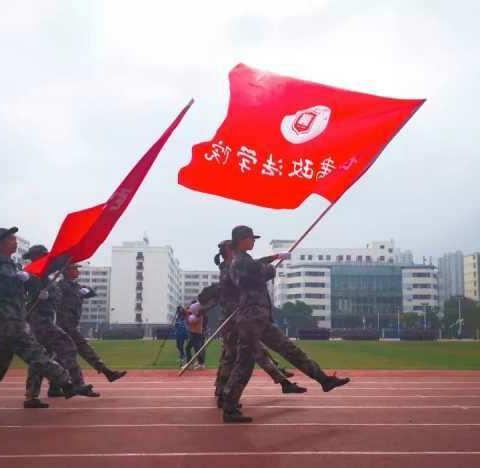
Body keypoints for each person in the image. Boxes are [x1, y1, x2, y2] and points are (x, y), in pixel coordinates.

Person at [222, 225, 350, 423]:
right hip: (251, 319)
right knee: (244, 365)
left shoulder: (243, 260)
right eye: (251, 238)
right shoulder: (241, 262)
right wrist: (271, 266)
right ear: (242, 240)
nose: (254, 241)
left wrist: (273, 257)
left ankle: (324, 380)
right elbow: (266, 272)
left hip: (258, 319)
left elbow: (258, 265)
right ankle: (229, 407)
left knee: (290, 350)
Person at [199, 240, 306, 411]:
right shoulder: (229, 267)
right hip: (233, 320)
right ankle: (226, 394)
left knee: (236, 355)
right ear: (229, 251)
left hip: (239, 318)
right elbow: (229, 287)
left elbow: (256, 264)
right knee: (244, 355)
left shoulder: (233, 264)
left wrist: (276, 256)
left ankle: (224, 392)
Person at [0, 227, 77, 408]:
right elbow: (9, 288)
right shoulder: (5, 267)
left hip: (13, 321)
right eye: (11, 238)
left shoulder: (12, 266)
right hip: (11, 323)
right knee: (37, 354)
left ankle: (57, 386)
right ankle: (67, 383)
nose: (15, 241)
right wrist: (22, 280)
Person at [23, 245, 99, 404]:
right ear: (37, 257)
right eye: (44, 256)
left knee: (41, 357)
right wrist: (36, 296)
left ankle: (37, 393)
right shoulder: (32, 274)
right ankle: (75, 384)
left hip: (47, 320)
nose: (47, 258)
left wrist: (48, 294)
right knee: (66, 345)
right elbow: (22, 293)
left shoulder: (44, 276)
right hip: (40, 321)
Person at [57, 263, 126, 382]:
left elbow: (92, 292)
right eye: (74, 269)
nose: (77, 271)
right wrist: (80, 291)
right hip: (64, 325)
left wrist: (86, 290)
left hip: (71, 324)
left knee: (59, 355)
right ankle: (106, 373)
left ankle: (55, 386)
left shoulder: (75, 286)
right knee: (82, 348)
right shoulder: (61, 286)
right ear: (66, 271)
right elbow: (71, 293)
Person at [185, 302, 206, 370]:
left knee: (197, 349)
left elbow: (190, 321)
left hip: (196, 334)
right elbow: (189, 321)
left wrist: (186, 314)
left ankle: (201, 364)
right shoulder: (196, 315)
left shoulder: (198, 316)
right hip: (194, 333)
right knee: (189, 348)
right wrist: (187, 314)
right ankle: (192, 364)